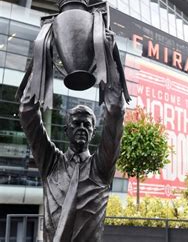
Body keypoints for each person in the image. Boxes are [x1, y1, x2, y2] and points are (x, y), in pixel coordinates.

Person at [19, 65, 125, 241]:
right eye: (77, 123)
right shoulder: (51, 163)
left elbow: (115, 111)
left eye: (87, 125)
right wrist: (42, 59)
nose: (82, 128)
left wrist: (106, 56)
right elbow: (27, 111)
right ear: (67, 130)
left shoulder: (100, 168)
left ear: (92, 132)